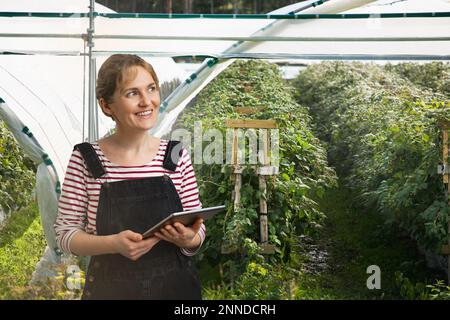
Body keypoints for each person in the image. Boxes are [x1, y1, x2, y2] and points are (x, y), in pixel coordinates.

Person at [54, 54, 205, 300]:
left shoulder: (176, 154)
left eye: (151, 89)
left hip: (176, 289)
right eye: (132, 93)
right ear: (106, 105)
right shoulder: (87, 159)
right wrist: (113, 244)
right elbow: (65, 234)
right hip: (111, 290)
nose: (147, 102)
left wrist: (189, 239)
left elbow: (197, 231)